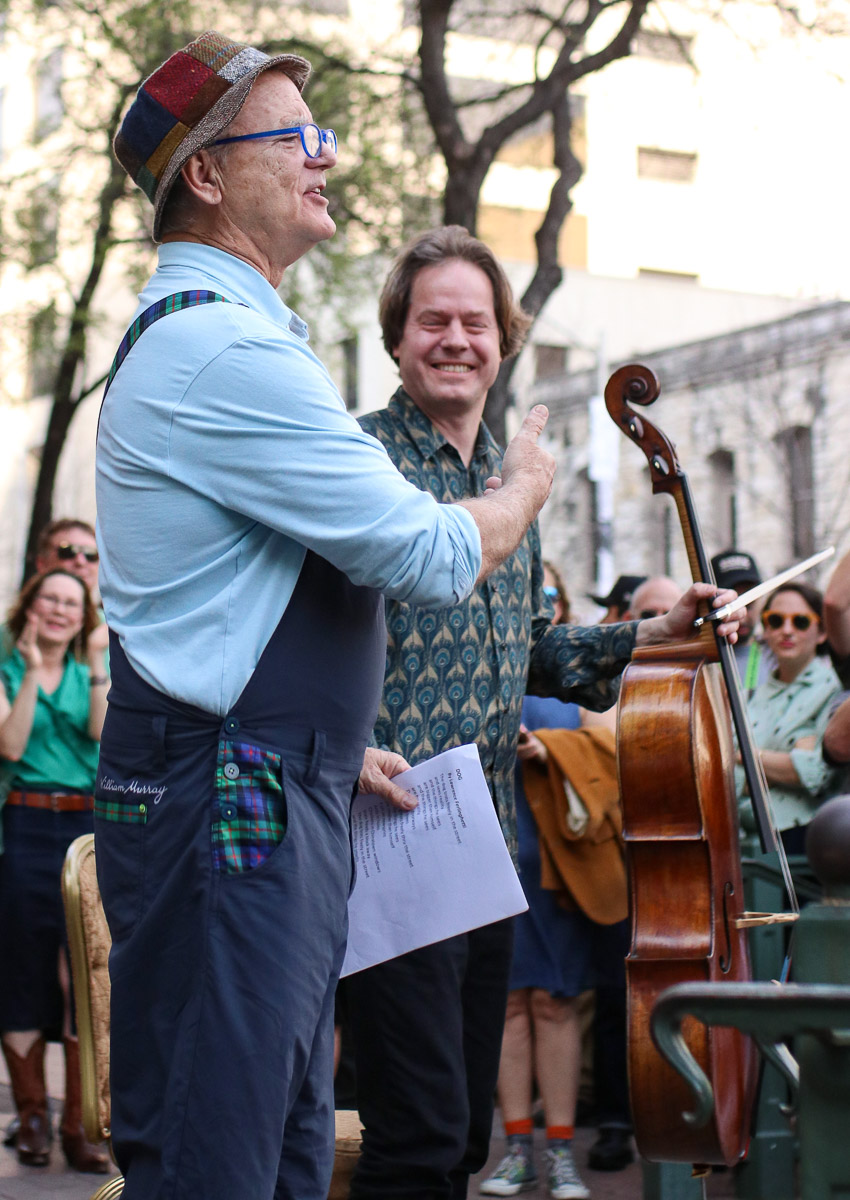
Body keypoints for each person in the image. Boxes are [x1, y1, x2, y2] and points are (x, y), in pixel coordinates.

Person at [97, 32, 558, 1200]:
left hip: (277, 780)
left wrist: (332, 748)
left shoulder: (233, 339)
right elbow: (422, 547)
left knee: (287, 1136)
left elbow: (235, 612)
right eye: (298, 137)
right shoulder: (221, 347)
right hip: (234, 794)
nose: (327, 159)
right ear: (206, 176)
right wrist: (522, 489)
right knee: (224, 1148)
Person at [341, 225, 743, 1200]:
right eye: (431, 319)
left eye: (473, 322)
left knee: (461, 1136)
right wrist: (341, 745)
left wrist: (649, 636)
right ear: (397, 338)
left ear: (503, 340)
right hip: (382, 833)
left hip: (481, 835)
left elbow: (530, 649)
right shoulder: (354, 457)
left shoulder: (505, 481)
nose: (454, 339)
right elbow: (293, 629)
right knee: (417, 1129)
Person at [480, 562, 598, 1200]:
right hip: (496, 852)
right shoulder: (485, 661)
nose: (542, 600)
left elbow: (611, 752)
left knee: (555, 1002)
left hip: (557, 861)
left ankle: (561, 1152)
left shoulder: (574, 673)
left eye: (553, 591)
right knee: (508, 1005)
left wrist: (551, 753)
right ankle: (516, 1147)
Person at [0, 569, 109, 1172]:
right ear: (32, 606)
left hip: (84, 829)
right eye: (51, 600)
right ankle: (34, 1113)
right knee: (22, 963)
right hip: (23, 820)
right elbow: (11, 746)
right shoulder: (7, 665)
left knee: (83, 972)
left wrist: (94, 660)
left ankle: (79, 1122)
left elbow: (98, 730)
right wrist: (26, 669)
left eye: (72, 603)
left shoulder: (93, 665)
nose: (61, 610)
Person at [736, 582, 841, 854]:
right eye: (775, 620)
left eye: (801, 621)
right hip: (746, 843)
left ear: (821, 633)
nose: (787, 630)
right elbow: (728, 778)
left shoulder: (835, 692)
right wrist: (784, 761)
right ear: (766, 629)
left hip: (807, 845)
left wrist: (744, 756)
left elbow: (815, 772)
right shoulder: (748, 696)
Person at [711, 549, 775, 697]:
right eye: (730, 604)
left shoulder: (776, 655)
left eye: (749, 602)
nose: (742, 616)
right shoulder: (699, 663)